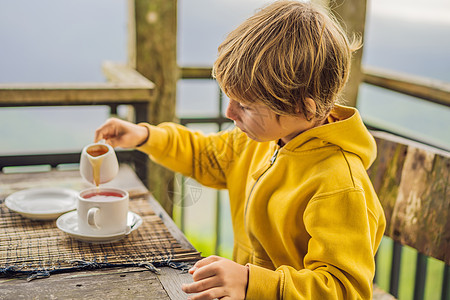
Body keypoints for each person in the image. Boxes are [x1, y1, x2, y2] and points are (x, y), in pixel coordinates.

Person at [94, 1, 386, 299]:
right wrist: (144, 136)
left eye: (245, 106)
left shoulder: (339, 186)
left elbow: (344, 289)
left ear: (303, 108)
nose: (230, 113)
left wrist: (251, 283)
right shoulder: (260, 141)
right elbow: (204, 154)